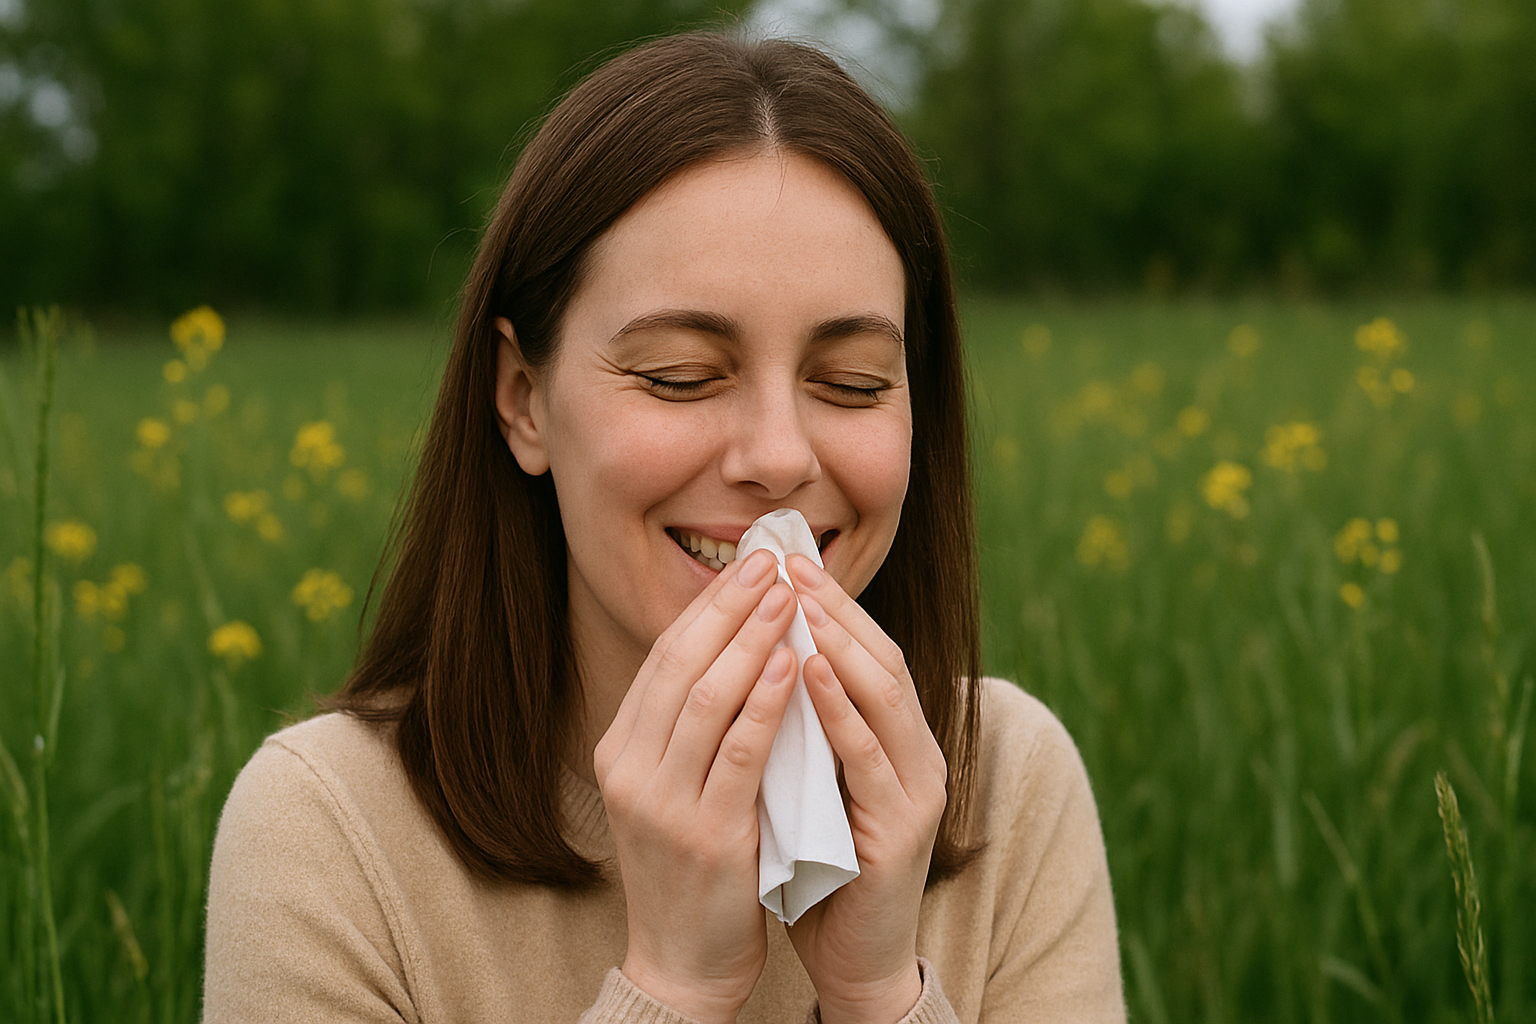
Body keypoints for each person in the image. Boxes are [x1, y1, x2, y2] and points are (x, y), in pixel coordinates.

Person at [203, 31, 1125, 1024]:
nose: (778, 456)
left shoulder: (1007, 785)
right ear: (523, 398)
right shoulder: (329, 831)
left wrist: (876, 994)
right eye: (679, 375)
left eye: (852, 385)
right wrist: (673, 988)